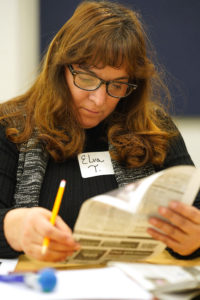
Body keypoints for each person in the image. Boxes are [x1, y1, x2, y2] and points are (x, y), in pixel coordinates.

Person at [0, 0, 200, 263]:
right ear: (60, 69)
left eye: (117, 85)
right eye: (86, 79)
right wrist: (12, 227)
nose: (98, 100)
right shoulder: (11, 125)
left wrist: (193, 241)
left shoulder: (154, 128)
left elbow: (194, 213)